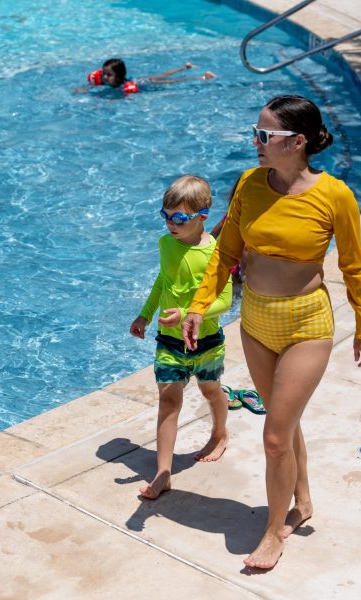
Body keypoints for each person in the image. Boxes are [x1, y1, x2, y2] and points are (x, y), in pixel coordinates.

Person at [182, 95, 361, 569]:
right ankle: (302, 500)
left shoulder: (335, 196)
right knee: (282, 426)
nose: (256, 142)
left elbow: (353, 266)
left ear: (298, 142)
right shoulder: (249, 184)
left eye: (265, 135)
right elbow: (226, 251)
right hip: (256, 321)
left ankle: (274, 531)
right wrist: (199, 305)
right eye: (256, 131)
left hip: (307, 322)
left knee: (273, 436)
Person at [129, 175, 233, 500]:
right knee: (169, 400)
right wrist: (145, 314)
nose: (170, 224)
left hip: (207, 341)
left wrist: (190, 312)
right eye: (165, 215)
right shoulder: (166, 245)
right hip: (170, 339)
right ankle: (163, 473)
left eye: (179, 218)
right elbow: (163, 281)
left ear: (203, 216)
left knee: (210, 390)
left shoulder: (215, 254)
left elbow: (225, 300)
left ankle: (220, 434)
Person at [87, 58, 216, 94]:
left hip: (143, 83)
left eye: (109, 74)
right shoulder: (106, 82)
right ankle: (185, 67)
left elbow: (124, 97)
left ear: (119, 76)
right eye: (103, 73)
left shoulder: (125, 86)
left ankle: (204, 77)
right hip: (140, 79)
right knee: (162, 75)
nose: (104, 77)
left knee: (170, 81)